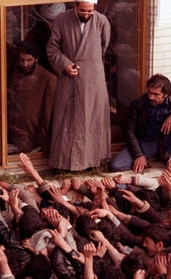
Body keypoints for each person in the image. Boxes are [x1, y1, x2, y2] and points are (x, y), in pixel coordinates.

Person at [46, 0, 111, 171]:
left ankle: (90, 162)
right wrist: (65, 64)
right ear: (75, 6)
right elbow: (52, 48)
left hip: (92, 80)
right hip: (69, 78)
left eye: (90, 11)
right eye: (83, 11)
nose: (86, 14)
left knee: (91, 118)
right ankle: (63, 164)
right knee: (66, 119)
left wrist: (91, 64)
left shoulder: (102, 21)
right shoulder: (61, 20)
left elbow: (104, 48)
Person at [110, 74, 171, 173]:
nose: (151, 97)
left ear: (166, 94)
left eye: (156, 94)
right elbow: (129, 130)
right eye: (149, 92)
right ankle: (153, 158)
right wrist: (139, 154)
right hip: (148, 142)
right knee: (116, 165)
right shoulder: (138, 104)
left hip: (168, 142)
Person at [7, 41, 56, 154]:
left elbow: (47, 115)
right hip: (12, 133)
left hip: (33, 138)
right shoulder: (14, 73)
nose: (25, 64)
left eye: (29, 60)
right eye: (22, 60)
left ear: (36, 59)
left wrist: (41, 141)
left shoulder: (48, 79)